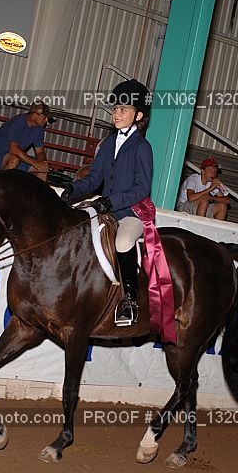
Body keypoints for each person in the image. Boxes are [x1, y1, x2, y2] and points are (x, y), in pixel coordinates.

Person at [61, 79, 152, 326]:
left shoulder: (142, 147)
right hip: (105, 207)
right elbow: (93, 179)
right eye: (115, 109)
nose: (116, 113)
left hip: (131, 212)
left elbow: (142, 188)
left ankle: (130, 300)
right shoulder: (109, 143)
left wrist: (111, 201)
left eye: (123, 109)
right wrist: (73, 189)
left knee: (123, 242)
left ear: (138, 115)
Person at [0, 101, 54, 181]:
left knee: (43, 169)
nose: (47, 121)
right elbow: (14, 149)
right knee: (14, 159)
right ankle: (2, 185)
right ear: (35, 114)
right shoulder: (19, 121)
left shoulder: (39, 129)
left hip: (13, 156)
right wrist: (36, 164)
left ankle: (38, 189)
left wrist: (42, 164)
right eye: (44, 117)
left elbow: (40, 152)